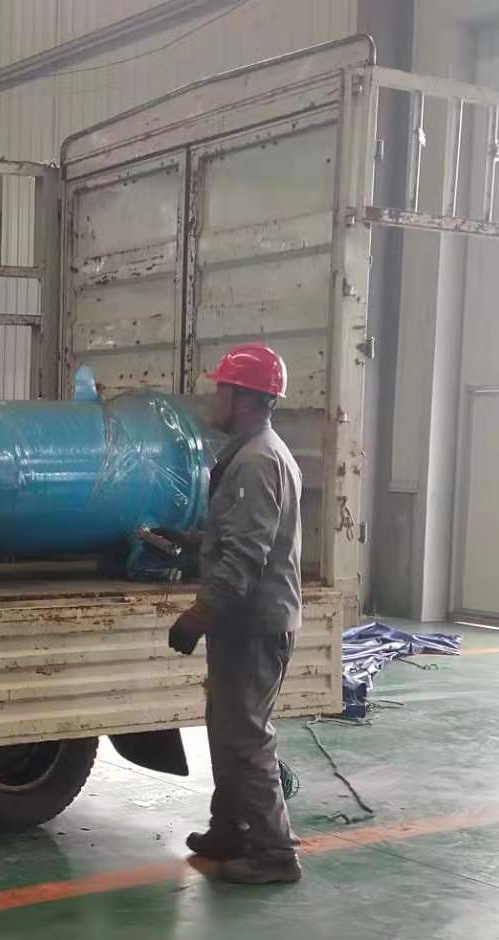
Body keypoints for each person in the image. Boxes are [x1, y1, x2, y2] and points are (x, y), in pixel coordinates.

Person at [168, 344, 305, 885]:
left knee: (245, 736)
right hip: (244, 621)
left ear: (244, 398)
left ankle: (276, 854)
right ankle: (230, 829)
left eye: (221, 389)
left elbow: (248, 555)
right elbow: (240, 536)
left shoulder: (257, 461)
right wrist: (191, 543)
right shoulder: (252, 453)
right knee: (226, 728)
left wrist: (198, 615)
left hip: (253, 624)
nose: (213, 397)